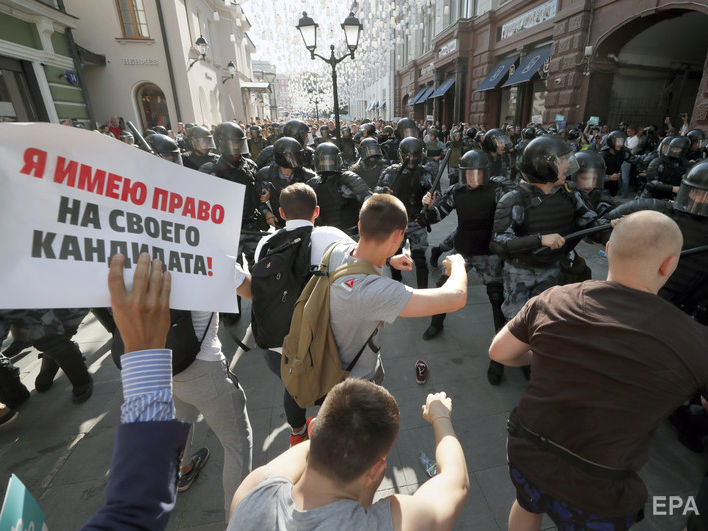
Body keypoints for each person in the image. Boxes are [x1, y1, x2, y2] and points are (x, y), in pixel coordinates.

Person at [489, 210, 708, 531]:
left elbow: (500, 351)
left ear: (607, 250)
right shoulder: (695, 341)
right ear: (668, 265)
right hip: (597, 487)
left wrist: (543, 356)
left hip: (526, 450)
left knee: (526, 503)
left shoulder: (552, 299)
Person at [229, 381, 469, 531]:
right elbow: (456, 482)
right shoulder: (387, 524)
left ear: (312, 431)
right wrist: (440, 416)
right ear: (376, 470)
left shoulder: (254, 491)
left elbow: (310, 446)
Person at [490, 135, 598, 385]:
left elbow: (590, 222)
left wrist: (618, 225)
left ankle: (529, 359)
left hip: (552, 271)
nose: (567, 166)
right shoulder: (514, 199)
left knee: (542, 321)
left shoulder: (570, 195)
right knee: (514, 321)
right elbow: (498, 243)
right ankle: (497, 358)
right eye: (561, 162)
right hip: (520, 272)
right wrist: (539, 239)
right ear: (544, 166)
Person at [420, 150, 513, 341]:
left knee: (496, 297)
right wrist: (428, 209)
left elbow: (517, 205)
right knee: (442, 287)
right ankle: (436, 323)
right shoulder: (457, 191)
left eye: (477, 172)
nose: (472, 177)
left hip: (489, 252)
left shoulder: (497, 190)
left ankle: (501, 340)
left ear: (485, 172)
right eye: (468, 173)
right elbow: (438, 215)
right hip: (462, 251)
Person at [375, 137, 434, 289]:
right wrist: (383, 192)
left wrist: (430, 203)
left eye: (415, 155)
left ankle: (423, 292)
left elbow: (436, 194)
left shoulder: (425, 173)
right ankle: (396, 283)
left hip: (416, 220)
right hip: (396, 221)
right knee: (395, 256)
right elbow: (376, 192)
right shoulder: (391, 172)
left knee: (420, 258)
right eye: (409, 155)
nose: (413, 159)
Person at [307, 142, 371, 235]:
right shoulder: (313, 183)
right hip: (324, 234)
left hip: (351, 234)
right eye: (323, 161)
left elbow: (368, 200)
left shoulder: (348, 178)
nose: (326, 164)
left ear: (337, 160)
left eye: (330, 161)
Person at [257, 137, 316, 228]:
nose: (294, 159)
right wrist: (267, 213)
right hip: (278, 222)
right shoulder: (265, 174)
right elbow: (257, 198)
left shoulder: (308, 176)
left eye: (296, 155)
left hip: (302, 222)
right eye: (290, 156)